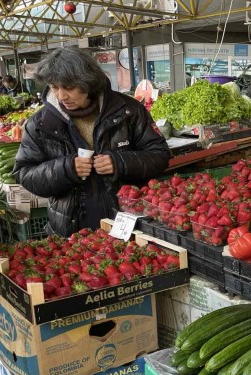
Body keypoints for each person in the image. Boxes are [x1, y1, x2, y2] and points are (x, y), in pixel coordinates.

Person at [13, 47, 171, 236]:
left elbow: (160, 155)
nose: (61, 96)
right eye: (55, 87)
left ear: (87, 82)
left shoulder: (129, 111)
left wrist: (119, 162)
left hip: (128, 224)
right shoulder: (40, 124)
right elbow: (24, 174)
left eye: (69, 87)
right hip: (70, 231)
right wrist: (66, 169)